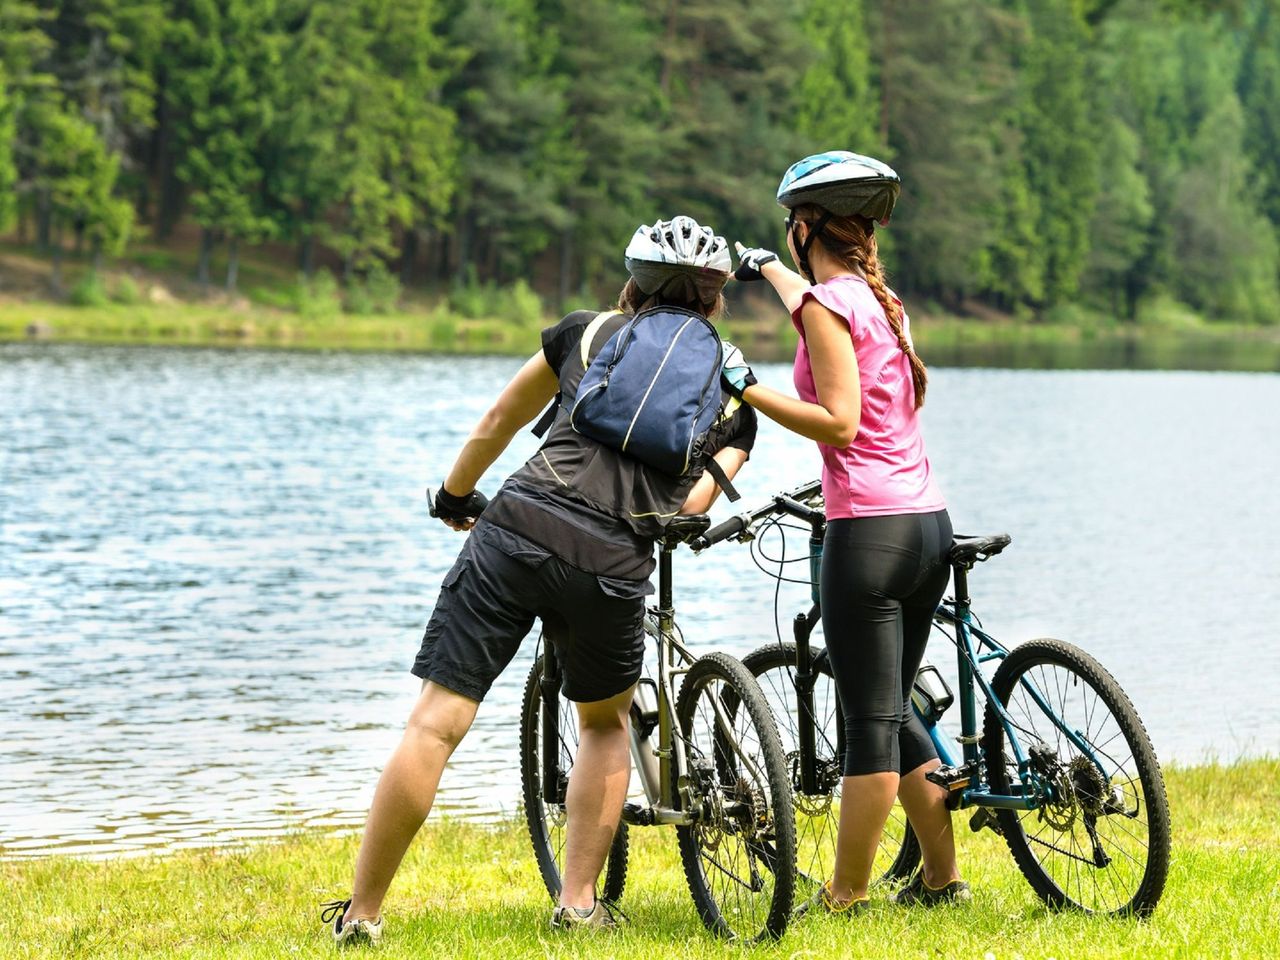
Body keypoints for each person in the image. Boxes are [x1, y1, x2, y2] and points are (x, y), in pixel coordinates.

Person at [322, 215, 758, 944]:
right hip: (615, 561)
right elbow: (693, 506)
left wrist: (457, 496)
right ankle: (580, 904)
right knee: (603, 723)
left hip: (519, 528)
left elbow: (499, 418)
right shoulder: (735, 391)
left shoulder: (585, 333)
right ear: (716, 302)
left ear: (633, 283)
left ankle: (362, 916)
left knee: (436, 722)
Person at [724, 151, 968, 913]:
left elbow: (839, 420)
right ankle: (940, 880)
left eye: (787, 231)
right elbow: (812, 302)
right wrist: (765, 267)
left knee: (869, 726)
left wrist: (747, 387)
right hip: (928, 527)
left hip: (867, 535)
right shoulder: (873, 299)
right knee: (895, 713)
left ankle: (846, 894)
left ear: (806, 226)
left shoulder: (831, 307)